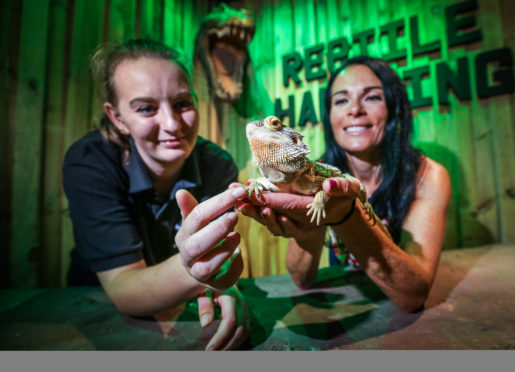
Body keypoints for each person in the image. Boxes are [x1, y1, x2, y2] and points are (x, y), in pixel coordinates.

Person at [63, 39, 250, 350]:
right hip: (95, 308)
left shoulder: (217, 164)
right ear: (117, 117)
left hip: (182, 302)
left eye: (182, 104)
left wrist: (221, 285)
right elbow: (123, 287)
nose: (172, 124)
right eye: (146, 108)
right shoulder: (90, 160)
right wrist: (207, 277)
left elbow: (212, 258)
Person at [238, 56, 451, 313]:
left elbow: (413, 295)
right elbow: (301, 279)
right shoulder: (310, 173)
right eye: (341, 100)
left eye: (372, 97)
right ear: (330, 117)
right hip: (341, 307)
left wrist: (347, 214)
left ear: (394, 107)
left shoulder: (427, 175)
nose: (354, 110)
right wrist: (308, 224)